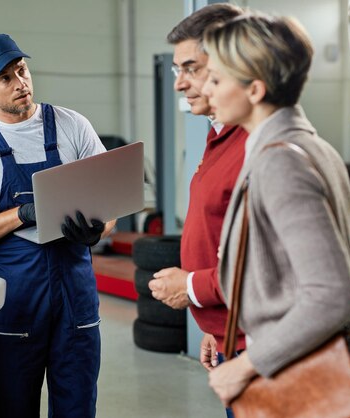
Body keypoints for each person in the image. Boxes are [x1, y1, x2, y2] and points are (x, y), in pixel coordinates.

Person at [201, 13, 350, 415]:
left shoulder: (278, 164)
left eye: (216, 79)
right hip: (349, 371)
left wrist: (244, 368)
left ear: (254, 89)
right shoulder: (313, 146)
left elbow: (331, 297)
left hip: (314, 383)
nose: (207, 89)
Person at [0, 33, 115, 418]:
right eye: (5, 78)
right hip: (17, 296)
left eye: (21, 70)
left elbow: (108, 207)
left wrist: (98, 230)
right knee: (13, 406)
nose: (20, 83)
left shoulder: (72, 125)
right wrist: (21, 215)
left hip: (75, 292)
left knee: (78, 406)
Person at [147, 3, 248, 376]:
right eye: (178, 69)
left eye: (191, 68)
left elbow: (274, 270)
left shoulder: (260, 147)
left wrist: (191, 287)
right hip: (232, 337)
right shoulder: (218, 135)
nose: (178, 82)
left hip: (262, 351)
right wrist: (217, 328)